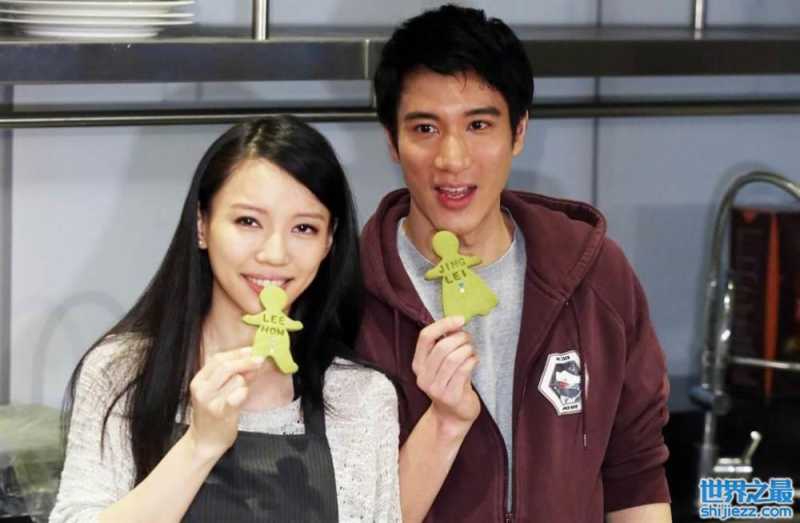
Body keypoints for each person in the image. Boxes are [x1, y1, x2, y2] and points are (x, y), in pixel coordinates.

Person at [356, 5, 672, 522]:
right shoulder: (347, 297)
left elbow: (636, 475)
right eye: (425, 128)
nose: (453, 159)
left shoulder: (597, 276)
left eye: (479, 124)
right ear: (392, 141)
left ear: (519, 131)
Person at [51, 116, 401, 522]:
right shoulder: (121, 372)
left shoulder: (360, 397)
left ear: (329, 242)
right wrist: (199, 446)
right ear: (202, 225)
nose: (274, 254)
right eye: (248, 222)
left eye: (304, 228)